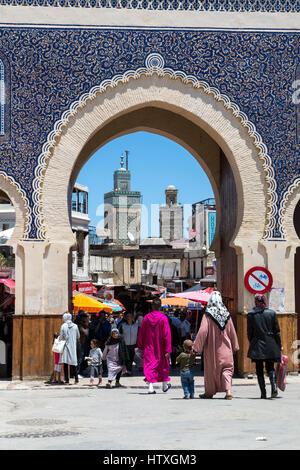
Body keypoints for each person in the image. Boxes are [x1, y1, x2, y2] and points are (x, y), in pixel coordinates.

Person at [193, 291, 239, 400]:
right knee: (227, 370)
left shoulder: (208, 315)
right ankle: (228, 391)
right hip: (226, 349)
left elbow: (203, 331)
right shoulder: (226, 315)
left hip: (213, 351)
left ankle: (209, 392)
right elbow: (232, 332)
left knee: (211, 372)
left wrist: (196, 347)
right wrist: (235, 346)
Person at [247, 293, 282, 399]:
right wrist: (279, 345)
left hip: (257, 344)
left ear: (256, 302)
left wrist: (252, 342)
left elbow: (250, 332)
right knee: (270, 367)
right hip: (271, 343)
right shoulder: (272, 313)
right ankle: (274, 387)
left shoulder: (251, 314)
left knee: (259, 369)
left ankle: (263, 393)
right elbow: (277, 332)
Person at [137, 297, 172, 394]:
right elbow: (167, 335)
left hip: (149, 347)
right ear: (160, 306)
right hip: (161, 347)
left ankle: (151, 387)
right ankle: (164, 385)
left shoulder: (146, 318)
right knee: (163, 365)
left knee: (149, 366)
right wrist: (168, 349)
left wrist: (140, 345)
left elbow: (141, 333)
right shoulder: (163, 318)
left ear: (152, 306)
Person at [59, 313, 80, 385]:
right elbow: (78, 336)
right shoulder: (75, 326)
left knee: (65, 363)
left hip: (65, 346)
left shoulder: (63, 326)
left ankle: (67, 380)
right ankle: (76, 379)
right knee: (73, 363)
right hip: (73, 346)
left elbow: (61, 337)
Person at [74, 311, 90, 378]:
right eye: (86, 320)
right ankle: (77, 373)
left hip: (83, 343)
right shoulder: (79, 325)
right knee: (79, 359)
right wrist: (86, 325)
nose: (87, 321)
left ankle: (80, 372)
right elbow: (86, 333)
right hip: (79, 343)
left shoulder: (79, 325)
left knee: (82, 358)